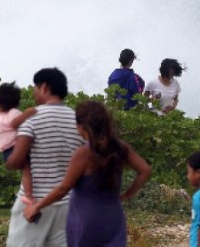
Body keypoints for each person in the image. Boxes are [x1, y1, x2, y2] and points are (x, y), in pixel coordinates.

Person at [23, 101, 151, 247]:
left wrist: (37, 206)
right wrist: (127, 195)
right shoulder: (121, 147)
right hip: (113, 217)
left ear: (81, 126)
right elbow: (145, 171)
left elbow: (63, 188)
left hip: (86, 220)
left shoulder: (84, 153)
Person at [5, 68, 84, 247]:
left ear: (44, 87)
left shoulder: (32, 118)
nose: (33, 91)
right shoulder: (77, 121)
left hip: (33, 203)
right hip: (67, 203)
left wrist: (6, 153)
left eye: (35, 87)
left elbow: (16, 161)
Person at [0, 81, 36, 200]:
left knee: (25, 171)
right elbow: (14, 124)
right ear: (16, 103)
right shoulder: (14, 113)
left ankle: (27, 194)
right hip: (16, 149)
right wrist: (28, 113)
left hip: (6, 154)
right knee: (27, 171)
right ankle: (29, 195)